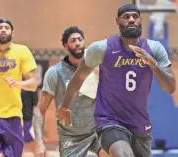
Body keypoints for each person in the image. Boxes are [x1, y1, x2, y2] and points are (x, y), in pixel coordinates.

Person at [57, 4, 176, 157]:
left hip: (139, 122)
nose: (131, 20)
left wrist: (153, 64)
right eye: (126, 17)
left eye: (135, 16)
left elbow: (170, 87)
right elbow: (78, 78)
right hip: (110, 121)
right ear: (117, 21)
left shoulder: (154, 48)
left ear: (140, 20)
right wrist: (64, 106)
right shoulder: (101, 48)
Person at [33, 26, 106, 157]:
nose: (77, 43)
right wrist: (39, 143)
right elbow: (40, 110)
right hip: (71, 138)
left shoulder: (97, 65)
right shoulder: (55, 72)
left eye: (80, 39)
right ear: (66, 46)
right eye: (73, 40)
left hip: (98, 131)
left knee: (118, 152)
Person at [0, 19, 38, 157]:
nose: (3, 30)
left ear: (12, 32)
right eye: (0, 27)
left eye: (7, 27)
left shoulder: (22, 51)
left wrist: (17, 83)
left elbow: (33, 84)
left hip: (13, 115)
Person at [21, 85, 38, 149]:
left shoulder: (31, 85)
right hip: (17, 117)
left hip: (27, 117)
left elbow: (36, 103)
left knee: (29, 140)